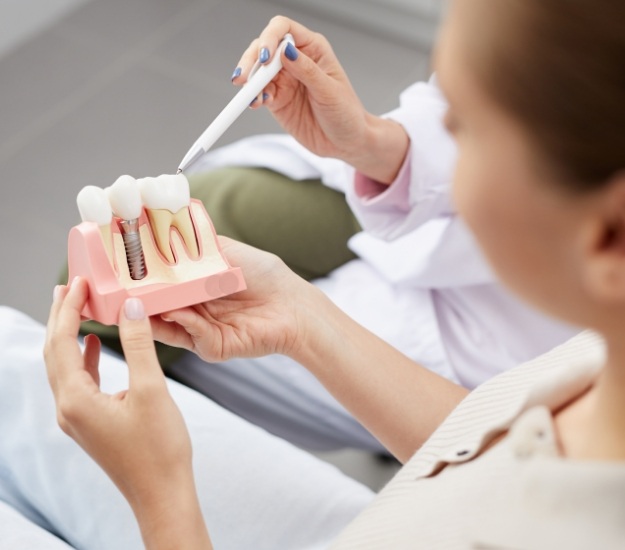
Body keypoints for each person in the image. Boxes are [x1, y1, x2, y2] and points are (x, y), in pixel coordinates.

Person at [5, 0, 624, 546]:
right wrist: (303, 320)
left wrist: (161, 496)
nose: (442, 141)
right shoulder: (597, 368)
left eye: (463, 126)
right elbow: (493, 449)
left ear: (608, 238)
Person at [68, 53, 580, 453]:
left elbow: (482, 460)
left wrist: (307, 326)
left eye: (464, 128)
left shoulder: (558, 441)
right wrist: (375, 141)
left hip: (476, 357)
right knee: (198, 215)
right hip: (422, 217)